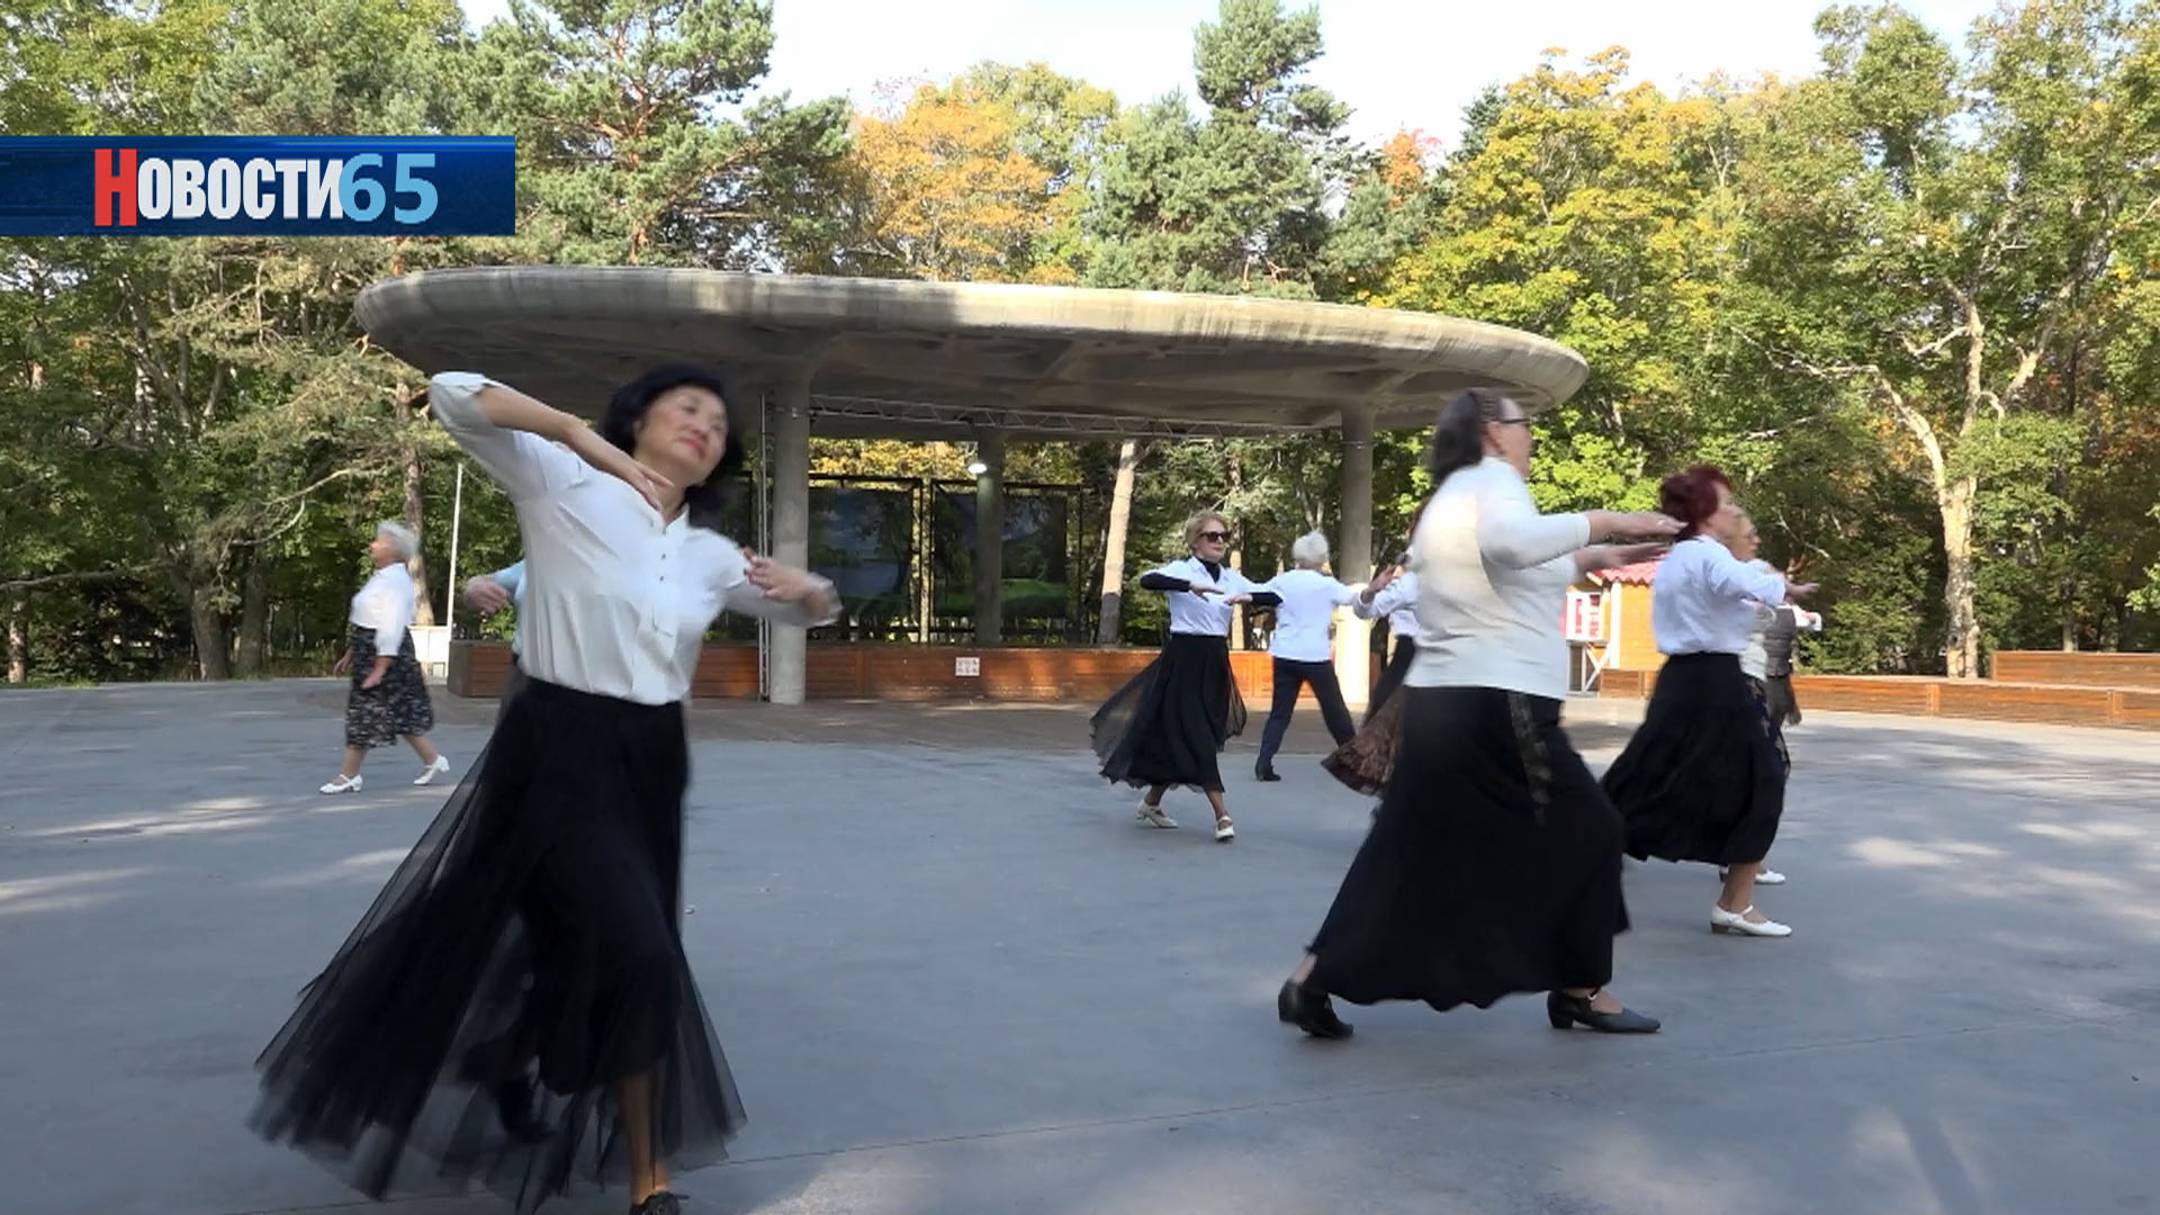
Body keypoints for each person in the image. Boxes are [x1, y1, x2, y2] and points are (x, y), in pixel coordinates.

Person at [253, 365, 839, 1215]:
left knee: (614, 949)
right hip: (557, 746)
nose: (703, 425)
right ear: (636, 418)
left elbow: (805, 614)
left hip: (651, 761)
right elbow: (454, 391)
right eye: (686, 407)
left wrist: (808, 588)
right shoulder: (564, 478)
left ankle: (509, 1060)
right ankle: (652, 1186)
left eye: (717, 423)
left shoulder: (711, 556)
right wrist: (572, 430)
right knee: (641, 951)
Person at [1279, 387, 1678, 1042]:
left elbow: (1510, 567)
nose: (1531, 437)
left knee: (1405, 848)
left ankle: (1309, 977)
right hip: (1499, 702)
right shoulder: (1494, 484)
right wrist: (1608, 519)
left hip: (1443, 704)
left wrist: (1592, 559)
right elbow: (1512, 548)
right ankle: (1581, 988)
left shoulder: (1453, 496)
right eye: (1525, 425)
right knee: (1592, 829)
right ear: (1494, 431)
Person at [1602, 467, 1815, 939]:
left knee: (1645, 773)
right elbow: (1749, 583)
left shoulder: (1685, 557)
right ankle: (1734, 903)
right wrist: (1782, 586)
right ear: (1702, 513)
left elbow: (1738, 589)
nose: (1734, 511)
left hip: (1688, 678)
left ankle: (1580, 845)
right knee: (1765, 776)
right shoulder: (1704, 554)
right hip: (1713, 680)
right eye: (1723, 504)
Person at [1090, 510, 1279, 842]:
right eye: (1211, 536)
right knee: (1198, 735)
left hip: (1215, 661)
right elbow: (1148, 579)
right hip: (1183, 659)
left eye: (1223, 536)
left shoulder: (1231, 577)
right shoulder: (1181, 569)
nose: (1219, 541)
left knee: (1180, 735)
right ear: (1195, 542)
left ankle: (1151, 803)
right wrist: (1188, 585)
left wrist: (1249, 597)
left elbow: (1274, 595)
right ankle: (1222, 815)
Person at [318, 520, 449, 794]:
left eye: (378, 541)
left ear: (391, 549)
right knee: (397, 712)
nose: (372, 545)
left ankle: (348, 775)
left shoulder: (396, 582)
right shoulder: (382, 578)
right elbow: (369, 619)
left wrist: (381, 666)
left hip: (386, 654)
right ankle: (432, 759)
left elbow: (391, 625)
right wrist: (351, 654)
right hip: (372, 650)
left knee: (363, 713)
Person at [1252, 530, 1361, 782]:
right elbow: (1352, 598)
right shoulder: (1325, 584)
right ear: (1322, 558)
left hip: (1285, 654)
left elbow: (1258, 593)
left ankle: (1263, 762)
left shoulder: (1283, 581)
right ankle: (1354, 760)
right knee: (1334, 710)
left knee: (1280, 712)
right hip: (1315, 656)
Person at [465, 558, 531, 717]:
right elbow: (483, 582)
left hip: (586, 688)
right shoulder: (537, 562)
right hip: (524, 678)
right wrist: (474, 588)